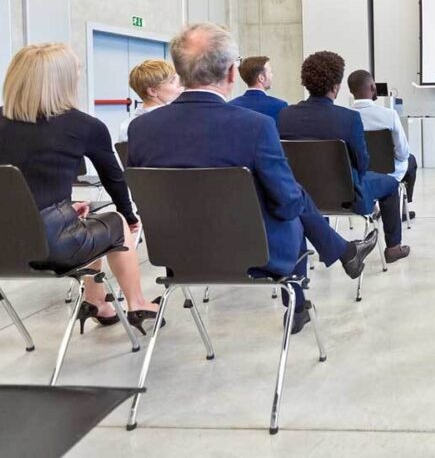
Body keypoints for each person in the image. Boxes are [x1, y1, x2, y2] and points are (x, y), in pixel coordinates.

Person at [128, 25, 377, 335]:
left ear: (179, 71)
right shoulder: (255, 126)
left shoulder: (141, 130)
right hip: (257, 254)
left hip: (177, 257)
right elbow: (287, 205)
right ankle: (306, 296)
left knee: (293, 197)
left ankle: (343, 254)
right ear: (232, 74)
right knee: (293, 204)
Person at [0, 43, 161, 335]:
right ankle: (137, 302)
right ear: (63, 81)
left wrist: (61, 210)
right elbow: (115, 180)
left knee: (88, 224)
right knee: (115, 223)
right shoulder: (85, 125)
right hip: (52, 247)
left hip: (0, 245)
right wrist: (129, 216)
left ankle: (97, 303)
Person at [278, 51, 410, 264]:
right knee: (391, 184)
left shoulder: (284, 116)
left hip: (299, 197)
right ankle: (393, 247)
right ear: (336, 86)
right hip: (347, 197)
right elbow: (362, 164)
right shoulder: (347, 119)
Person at [347, 69, 418, 219]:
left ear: (351, 91)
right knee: (411, 160)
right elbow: (402, 153)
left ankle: (375, 208)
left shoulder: (344, 116)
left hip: (357, 175)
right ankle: (402, 208)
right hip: (388, 172)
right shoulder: (389, 115)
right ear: (373, 87)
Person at [117, 60, 182, 144]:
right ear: (153, 91)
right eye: (172, 81)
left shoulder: (126, 126)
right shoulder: (173, 122)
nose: (180, 84)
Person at [230, 55, 288, 122]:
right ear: (261, 78)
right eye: (270, 72)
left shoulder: (231, 106)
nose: (272, 75)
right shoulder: (280, 106)